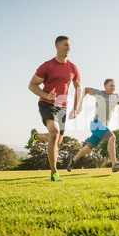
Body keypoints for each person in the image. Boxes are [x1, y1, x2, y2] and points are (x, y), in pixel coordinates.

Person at [28, 36, 81, 182]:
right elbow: (32, 85)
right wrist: (46, 95)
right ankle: (54, 173)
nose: (68, 48)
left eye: (69, 45)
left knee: (57, 141)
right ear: (57, 46)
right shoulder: (47, 66)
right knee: (55, 132)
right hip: (47, 104)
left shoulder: (73, 68)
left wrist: (75, 108)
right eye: (66, 45)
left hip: (62, 108)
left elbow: (78, 89)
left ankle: (37, 136)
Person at [67, 79, 119, 173]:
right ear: (105, 87)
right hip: (96, 124)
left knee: (88, 148)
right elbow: (86, 90)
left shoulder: (116, 97)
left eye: (114, 86)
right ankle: (114, 164)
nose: (113, 87)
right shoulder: (100, 93)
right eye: (111, 85)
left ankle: (73, 159)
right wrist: (80, 106)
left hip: (102, 127)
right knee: (112, 137)